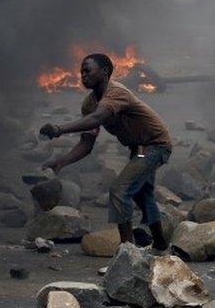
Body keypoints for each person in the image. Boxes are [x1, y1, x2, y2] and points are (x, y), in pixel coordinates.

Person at [39, 53, 173, 252]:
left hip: (154, 146)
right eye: (81, 72)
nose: (83, 76)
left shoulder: (117, 92)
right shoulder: (89, 104)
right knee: (143, 195)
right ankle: (160, 245)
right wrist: (61, 162)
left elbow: (97, 118)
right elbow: (87, 143)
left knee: (120, 191)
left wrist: (59, 129)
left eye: (88, 71)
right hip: (139, 148)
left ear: (105, 72)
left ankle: (127, 252)